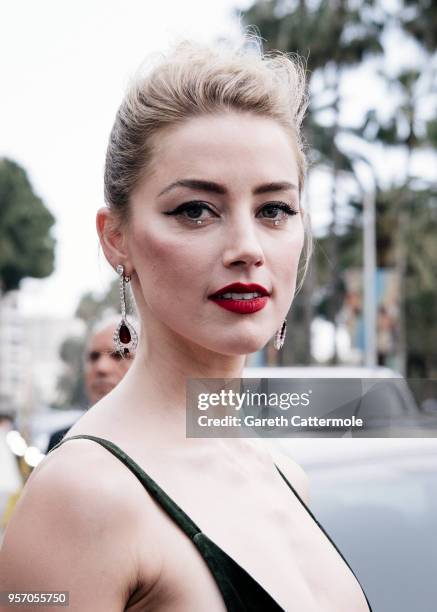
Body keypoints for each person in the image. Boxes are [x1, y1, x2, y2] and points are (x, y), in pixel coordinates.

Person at [0, 35, 373, 611]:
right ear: (115, 238)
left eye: (275, 209)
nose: (247, 247)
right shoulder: (80, 495)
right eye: (195, 210)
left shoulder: (285, 474)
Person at [46, 316, 135, 453]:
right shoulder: (62, 443)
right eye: (93, 357)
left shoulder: (170, 440)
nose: (101, 367)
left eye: (118, 355)